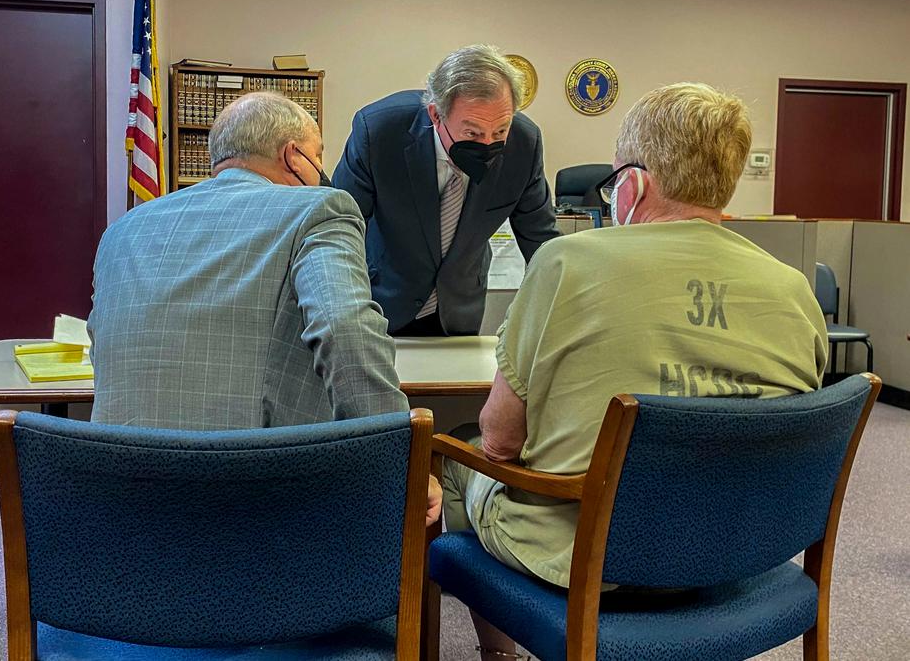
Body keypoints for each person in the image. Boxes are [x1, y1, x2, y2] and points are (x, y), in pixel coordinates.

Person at [442, 83, 828, 660]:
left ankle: (500, 654)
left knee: (454, 455)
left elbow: (499, 441)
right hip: (740, 548)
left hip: (590, 561)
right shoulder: (794, 290)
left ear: (634, 185)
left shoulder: (567, 261)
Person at [89, 91, 441, 526]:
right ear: (293, 156)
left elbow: (102, 346)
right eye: (318, 156)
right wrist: (401, 459)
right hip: (260, 507)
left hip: (122, 508)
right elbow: (345, 327)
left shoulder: (123, 231)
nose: (321, 170)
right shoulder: (319, 209)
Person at [332, 44, 558, 336]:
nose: (487, 144)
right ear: (436, 115)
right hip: (381, 304)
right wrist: (343, 317)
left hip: (459, 311)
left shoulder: (524, 144)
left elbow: (542, 241)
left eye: (500, 131)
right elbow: (339, 229)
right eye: (472, 133)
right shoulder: (379, 133)